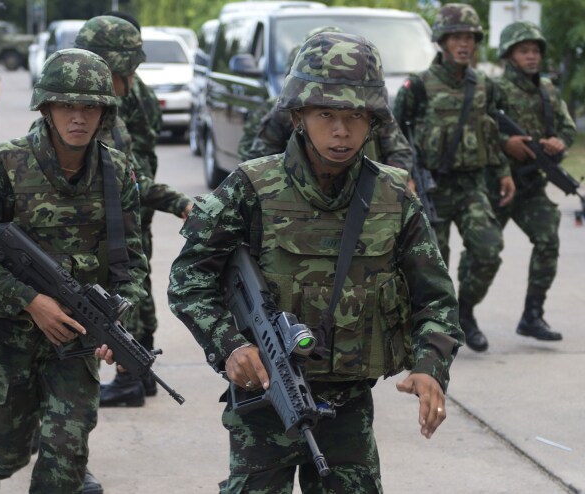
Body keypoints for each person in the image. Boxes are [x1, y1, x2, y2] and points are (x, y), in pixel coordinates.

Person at [168, 32, 463, 493]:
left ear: (373, 122)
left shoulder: (393, 196)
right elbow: (189, 277)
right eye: (326, 114)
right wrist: (230, 345)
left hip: (348, 409)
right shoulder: (251, 186)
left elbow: (437, 299)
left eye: (354, 116)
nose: (341, 131)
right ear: (298, 115)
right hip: (264, 401)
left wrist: (429, 367)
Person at [0, 48, 147, 494]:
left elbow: (130, 259)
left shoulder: (117, 170)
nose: (79, 117)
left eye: (89, 106)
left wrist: (118, 320)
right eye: (67, 105)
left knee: (67, 453)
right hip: (8, 330)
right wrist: (30, 301)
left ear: (104, 112)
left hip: (78, 335)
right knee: (5, 447)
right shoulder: (4, 164)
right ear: (46, 107)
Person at [394, 3, 514, 353]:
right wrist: (405, 177)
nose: (464, 44)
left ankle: (467, 313)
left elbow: (492, 131)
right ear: (442, 41)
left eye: (469, 38)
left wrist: (504, 173)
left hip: (472, 184)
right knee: (434, 263)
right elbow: (395, 135)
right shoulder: (418, 86)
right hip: (432, 184)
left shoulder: (484, 87)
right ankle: (435, 328)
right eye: (456, 37)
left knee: (489, 249)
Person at [90, 12, 167, 404]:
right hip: (135, 201)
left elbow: (136, 159)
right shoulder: (104, 108)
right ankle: (139, 372)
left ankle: (131, 375)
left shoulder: (125, 104)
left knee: (126, 288)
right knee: (136, 283)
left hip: (129, 205)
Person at [489, 21, 576, 341]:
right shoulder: (493, 88)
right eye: (524, 50)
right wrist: (505, 143)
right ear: (509, 54)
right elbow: (476, 127)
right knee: (483, 253)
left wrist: (558, 144)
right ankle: (462, 316)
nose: (532, 56)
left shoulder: (547, 90)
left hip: (531, 186)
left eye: (536, 50)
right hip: (495, 183)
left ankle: (533, 314)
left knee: (548, 239)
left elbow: (567, 130)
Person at [241, 27, 412, 172]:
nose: (341, 131)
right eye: (325, 114)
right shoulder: (285, 110)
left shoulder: (369, 105)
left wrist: (387, 188)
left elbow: (399, 153)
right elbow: (259, 159)